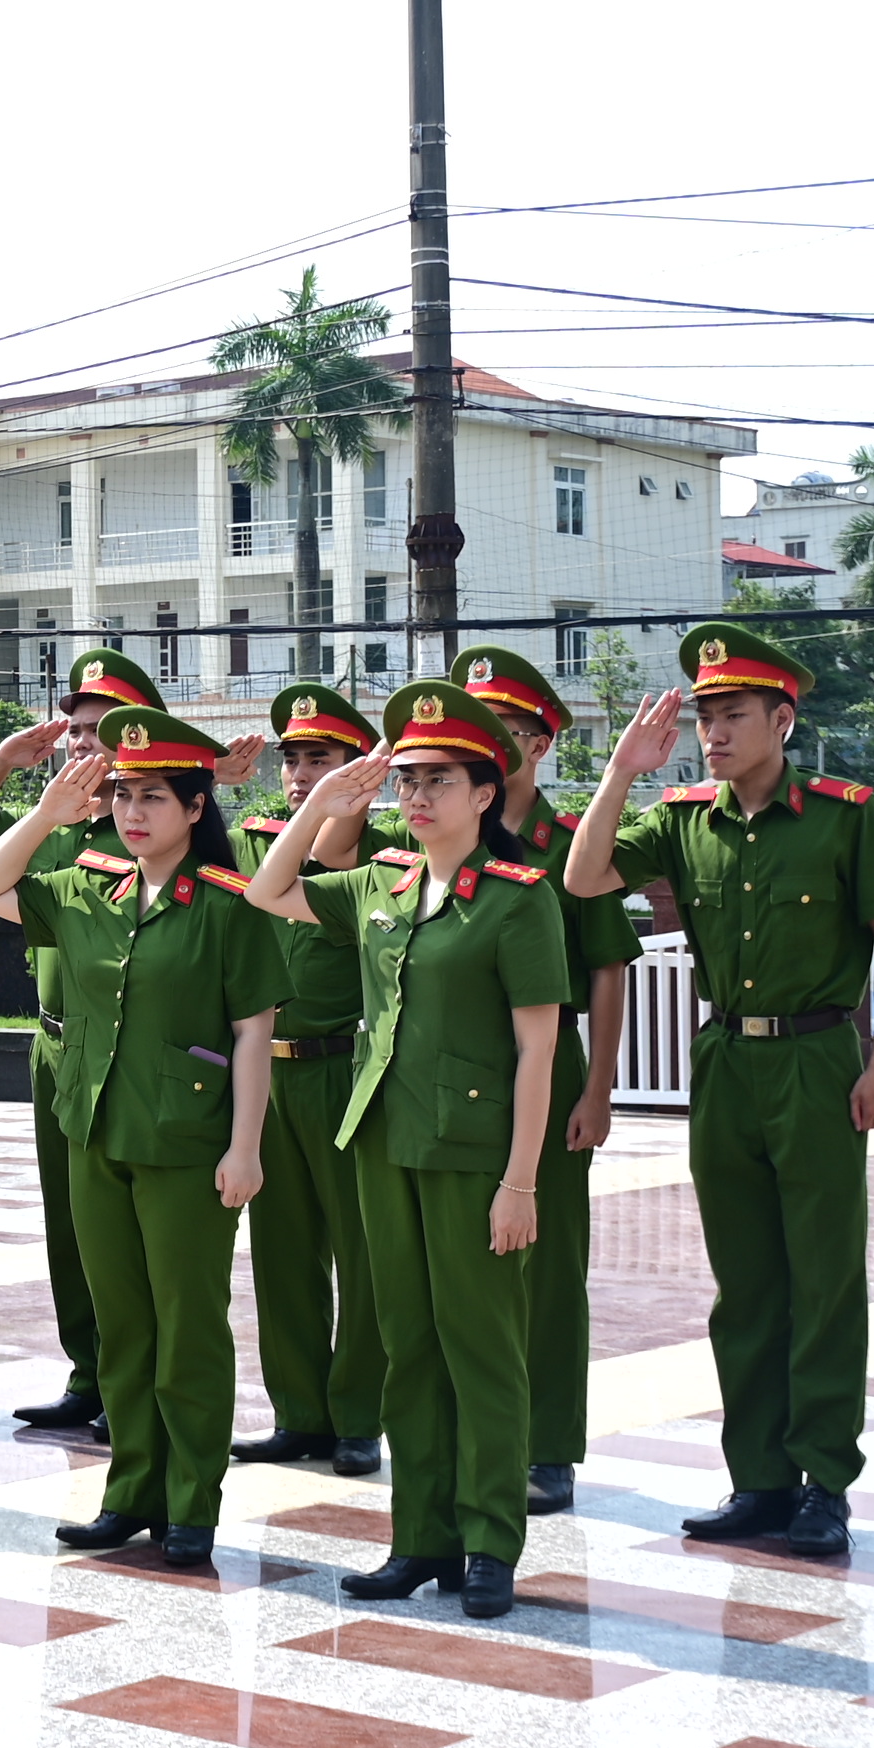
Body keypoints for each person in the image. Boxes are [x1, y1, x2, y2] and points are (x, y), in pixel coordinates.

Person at [564, 623, 874, 1559]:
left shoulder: (845, 814)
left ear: (782, 719)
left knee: (825, 1279)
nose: (712, 733)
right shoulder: (683, 817)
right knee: (746, 1284)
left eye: (731, 716)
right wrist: (624, 772)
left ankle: (824, 1485)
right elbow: (584, 872)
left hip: (819, 1060)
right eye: (704, 717)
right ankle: (759, 1479)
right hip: (723, 1063)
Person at [245, 683, 567, 1619]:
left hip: (472, 1156)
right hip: (382, 1142)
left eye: (438, 780)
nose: (416, 796)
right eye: (408, 779)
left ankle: (489, 1544)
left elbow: (538, 1049)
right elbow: (270, 889)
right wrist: (323, 802)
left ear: (483, 792)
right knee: (409, 1350)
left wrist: (520, 1181)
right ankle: (418, 1538)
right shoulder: (378, 887)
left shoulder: (517, 902)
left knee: (482, 1350)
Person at [0, 715, 286, 1565]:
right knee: (122, 1327)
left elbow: (255, 1032)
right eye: (122, 794)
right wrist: (45, 816)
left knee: (187, 1328)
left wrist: (246, 1146)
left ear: (195, 805)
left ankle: (192, 1503)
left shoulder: (229, 901)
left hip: (189, 1142)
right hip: (94, 1131)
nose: (132, 811)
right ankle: (130, 1492)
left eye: (152, 796)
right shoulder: (85, 885)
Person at [336, 647, 638, 1517]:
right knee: (435, 1294)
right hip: (429, 1084)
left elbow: (607, 966)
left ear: (530, 749)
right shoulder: (417, 837)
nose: (432, 776)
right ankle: (445, 1483)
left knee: (540, 1269)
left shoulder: (563, 841)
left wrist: (601, 1089)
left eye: (497, 735)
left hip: (540, 1066)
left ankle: (547, 1446)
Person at [229, 686, 389, 1480]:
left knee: (362, 1259)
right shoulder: (250, 841)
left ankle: (360, 1415)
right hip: (268, 1072)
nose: (297, 773)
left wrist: (343, 808)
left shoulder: (391, 852)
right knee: (282, 1251)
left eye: (318, 758)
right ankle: (300, 1413)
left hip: (343, 1069)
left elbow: (333, 859)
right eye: (291, 758)